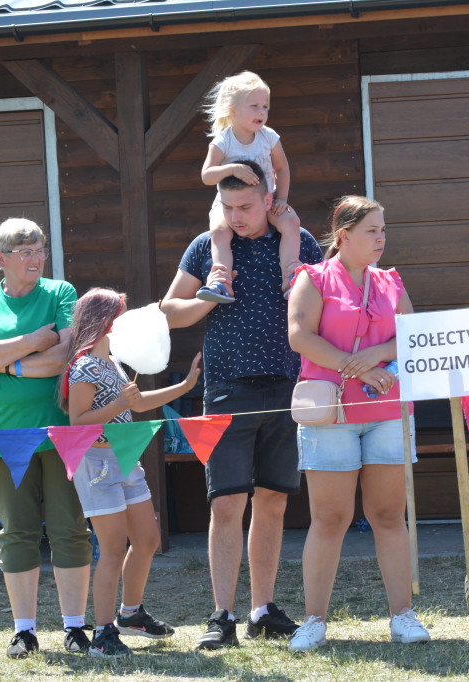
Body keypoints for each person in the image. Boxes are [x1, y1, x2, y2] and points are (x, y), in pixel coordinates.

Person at [161, 160, 323, 649]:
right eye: (227, 207)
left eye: (246, 206)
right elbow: (169, 312)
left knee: (273, 501)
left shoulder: (302, 241)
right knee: (227, 503)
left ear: (269, 196)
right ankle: (222, 616)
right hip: (227, 389)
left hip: (289, 388)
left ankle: (262, 609)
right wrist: (212, 295)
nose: (236, 216)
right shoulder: (207, 247)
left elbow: (322, 306)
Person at [285, 196, 429, 651]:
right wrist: (357, 366)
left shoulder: (391, 281)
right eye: (372, 230)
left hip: (387, 412)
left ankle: (403, 617)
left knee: (389, 515)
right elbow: (299, 336)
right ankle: (313, 621)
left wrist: (380, 355)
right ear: (343, 234)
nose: (382, 238)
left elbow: (413, 334)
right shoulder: (312, 278)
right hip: (330, 414)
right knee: (330, 517)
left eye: (384, 230)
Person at [0, 218, 92, 657]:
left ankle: (75, 626)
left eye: (39, 250)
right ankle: (24, 630)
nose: (36, 258)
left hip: (60, 432)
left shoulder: (61, 293)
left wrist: (5, 361)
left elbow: (64, 355)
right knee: (16, 531)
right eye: (25, 252)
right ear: (1, 259)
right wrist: (33, 340)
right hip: (2, 436)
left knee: (70, 529)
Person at [62, 288, 202, 658]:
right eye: (120, 317)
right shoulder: (83, 367)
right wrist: (120, 403)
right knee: (111, 548)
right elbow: (78, 424)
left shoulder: (115, 363)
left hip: (124, 459)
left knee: (147, 539)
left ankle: (130, 614)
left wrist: (185, 386)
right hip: (96, 463)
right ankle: (104, 634)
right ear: (105, 323)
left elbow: (137, 403)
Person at [197, 71, 301, 303]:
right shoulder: (224, 141)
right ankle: (221, 282)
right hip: (229, 205)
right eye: (254, 106)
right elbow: (207, 175)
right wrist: (232, 169)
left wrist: (281, 199)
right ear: (232, 109)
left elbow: (282, 168)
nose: (262, 112)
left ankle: (291, 276)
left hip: (267, 201)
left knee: (292, 222)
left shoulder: (269, 137)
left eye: (265, 107)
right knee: (219, 231)